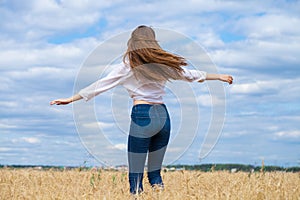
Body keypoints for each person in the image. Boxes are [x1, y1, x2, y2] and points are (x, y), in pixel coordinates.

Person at [50, 25, 233, 194]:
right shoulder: (162, 64)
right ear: (153, 41)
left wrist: (70, 99)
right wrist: (220, 77)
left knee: (136, 175)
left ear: (132, 42)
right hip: (163, 117)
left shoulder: (128, 65)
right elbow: (191, 75)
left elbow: (101, 85)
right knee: (155, 174)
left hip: (142, 114)